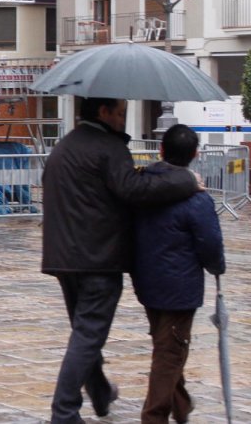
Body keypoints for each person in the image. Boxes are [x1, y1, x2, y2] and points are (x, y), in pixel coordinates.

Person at [42, 97, 200, 424]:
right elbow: (134, 190)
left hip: (64, 257)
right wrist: (186, 180)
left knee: (85, 333)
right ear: (103, 112)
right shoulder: (108, 147)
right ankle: (64, 411)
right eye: (120, 113)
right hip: (97, 259)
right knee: (87, 336)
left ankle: (100, 393)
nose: (122, 120)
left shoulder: (65, 146)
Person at [131, 124, 225, 424]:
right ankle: (154, 416)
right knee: (169, 352)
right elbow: (210, 243)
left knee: (167, 343)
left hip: (146, 280)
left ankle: (181, 405)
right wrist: (217, 266)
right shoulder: (197, 199)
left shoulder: (141, 188)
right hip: (179, 287)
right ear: (195, 154)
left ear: (161, 150)